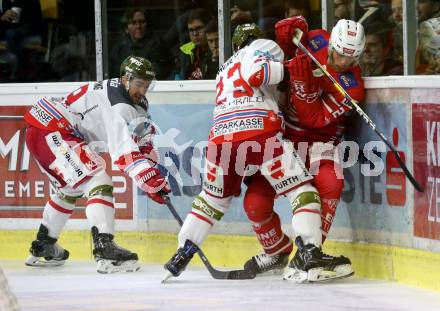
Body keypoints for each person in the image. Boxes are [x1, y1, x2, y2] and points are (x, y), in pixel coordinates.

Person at [163, 23, 351, 283]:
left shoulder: (224, 67)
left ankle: (182, 252)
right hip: (259, 131)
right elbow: (257, 74)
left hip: (220, 139)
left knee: (212, 200)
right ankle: (309, 251)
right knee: (301, 190)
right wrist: (291, 69)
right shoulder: (261, 47)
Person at [241, 17, 366, 282]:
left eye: (351, 58)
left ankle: (310, 253)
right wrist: (286, 34)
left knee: (331, 182)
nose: (344, 62)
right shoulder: (316, 39)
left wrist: (303, 85)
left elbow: (314, 120)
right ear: (331, 43)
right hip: (284, 138)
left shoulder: (352, 87)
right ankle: (276, 251)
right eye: (340, 54)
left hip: (321, 143)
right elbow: (281, 50)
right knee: (255, 203)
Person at [23, 56, 171, 273]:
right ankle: (104, 246)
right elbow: (124, 154)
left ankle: (45, 243)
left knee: (70, 188)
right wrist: (149, 179)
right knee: (98, 180)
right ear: (125, 79)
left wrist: (149, 165)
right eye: (139, 84)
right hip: (54, 131)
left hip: (42, 129)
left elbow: (141, 139)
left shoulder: (131, 100)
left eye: (147, 85)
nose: (143, 90)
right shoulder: (119, 105)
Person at [109, 8, 170, 79]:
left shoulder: (158, 45)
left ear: (147, 24)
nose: (138, 26)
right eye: (133, 22)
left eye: (142, 22)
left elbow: (160, 72)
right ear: (126, 28)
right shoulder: (119, 49)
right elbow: (114, 74)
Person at [172, 8, 216, 80]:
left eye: (199, 28)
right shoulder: (185, 50)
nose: (195, 33)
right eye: (191, 30)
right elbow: (173, 77)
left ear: (208, 27)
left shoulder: (217, 49)